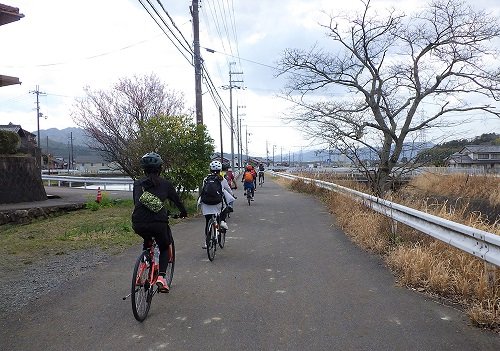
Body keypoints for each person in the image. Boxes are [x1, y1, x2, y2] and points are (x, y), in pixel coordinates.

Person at [132, 152, 187, 293]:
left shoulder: (138, 184)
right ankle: (161, 277)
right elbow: (177, 201)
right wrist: (183, 212)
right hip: (158, 222)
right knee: (164, 246)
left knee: (147, 241)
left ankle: (140, 273)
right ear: (160, 168)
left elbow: (136, 203)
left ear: (144, 169)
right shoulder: (166, 184)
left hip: (138, 222)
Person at [199, 160, 236, 248]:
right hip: (217, 203)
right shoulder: (222, 179)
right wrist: (232, 195)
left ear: (210, 170)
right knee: (224, 206)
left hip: (206, 204)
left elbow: (203, 190)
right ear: (220, 170)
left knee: (208, 221)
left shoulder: (206, 179)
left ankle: (207, 242)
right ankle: (222, 221)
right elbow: (228, 191)